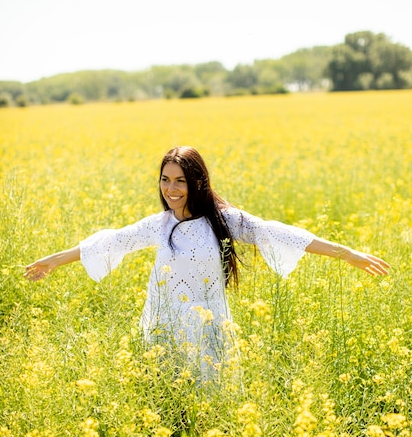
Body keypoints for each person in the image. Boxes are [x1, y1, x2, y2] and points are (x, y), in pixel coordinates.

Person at [25, 146, 390, 377]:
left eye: (180, 181)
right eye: (165, 180)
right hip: (163, 329)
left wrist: (349, 255)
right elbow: (113, 240)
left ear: (196, 183)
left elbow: (278, 232)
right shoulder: (159, 225)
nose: (171, 189)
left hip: (207, 329)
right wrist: (55, 260)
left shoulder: (222, 219)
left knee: (208, 401)